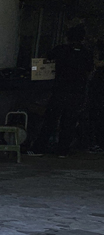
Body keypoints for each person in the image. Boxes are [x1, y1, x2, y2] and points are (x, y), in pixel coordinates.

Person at [31, 26, 94, 156]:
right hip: (77, 91)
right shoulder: (86, 53)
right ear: (82, 38)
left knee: (51, 119)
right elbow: (90, 70)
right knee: (69, 122)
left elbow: (45, 59)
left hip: (60, 89)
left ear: (67, 37)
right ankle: (62, 150)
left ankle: (39, 148)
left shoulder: (61, 50)